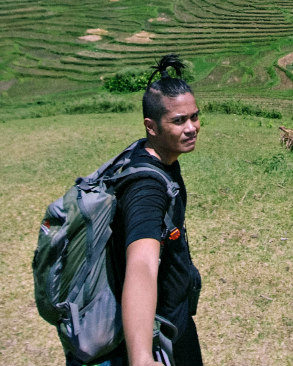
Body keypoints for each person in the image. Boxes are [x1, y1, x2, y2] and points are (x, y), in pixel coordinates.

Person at [108, 54, 203, 366]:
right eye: (178, 121)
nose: (191, 128)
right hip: (160, 330)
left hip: (174, 319)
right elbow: (143, 263)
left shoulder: (151, 155)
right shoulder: (146, 187)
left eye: (194, 117)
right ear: (151, 126)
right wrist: (141, 358)